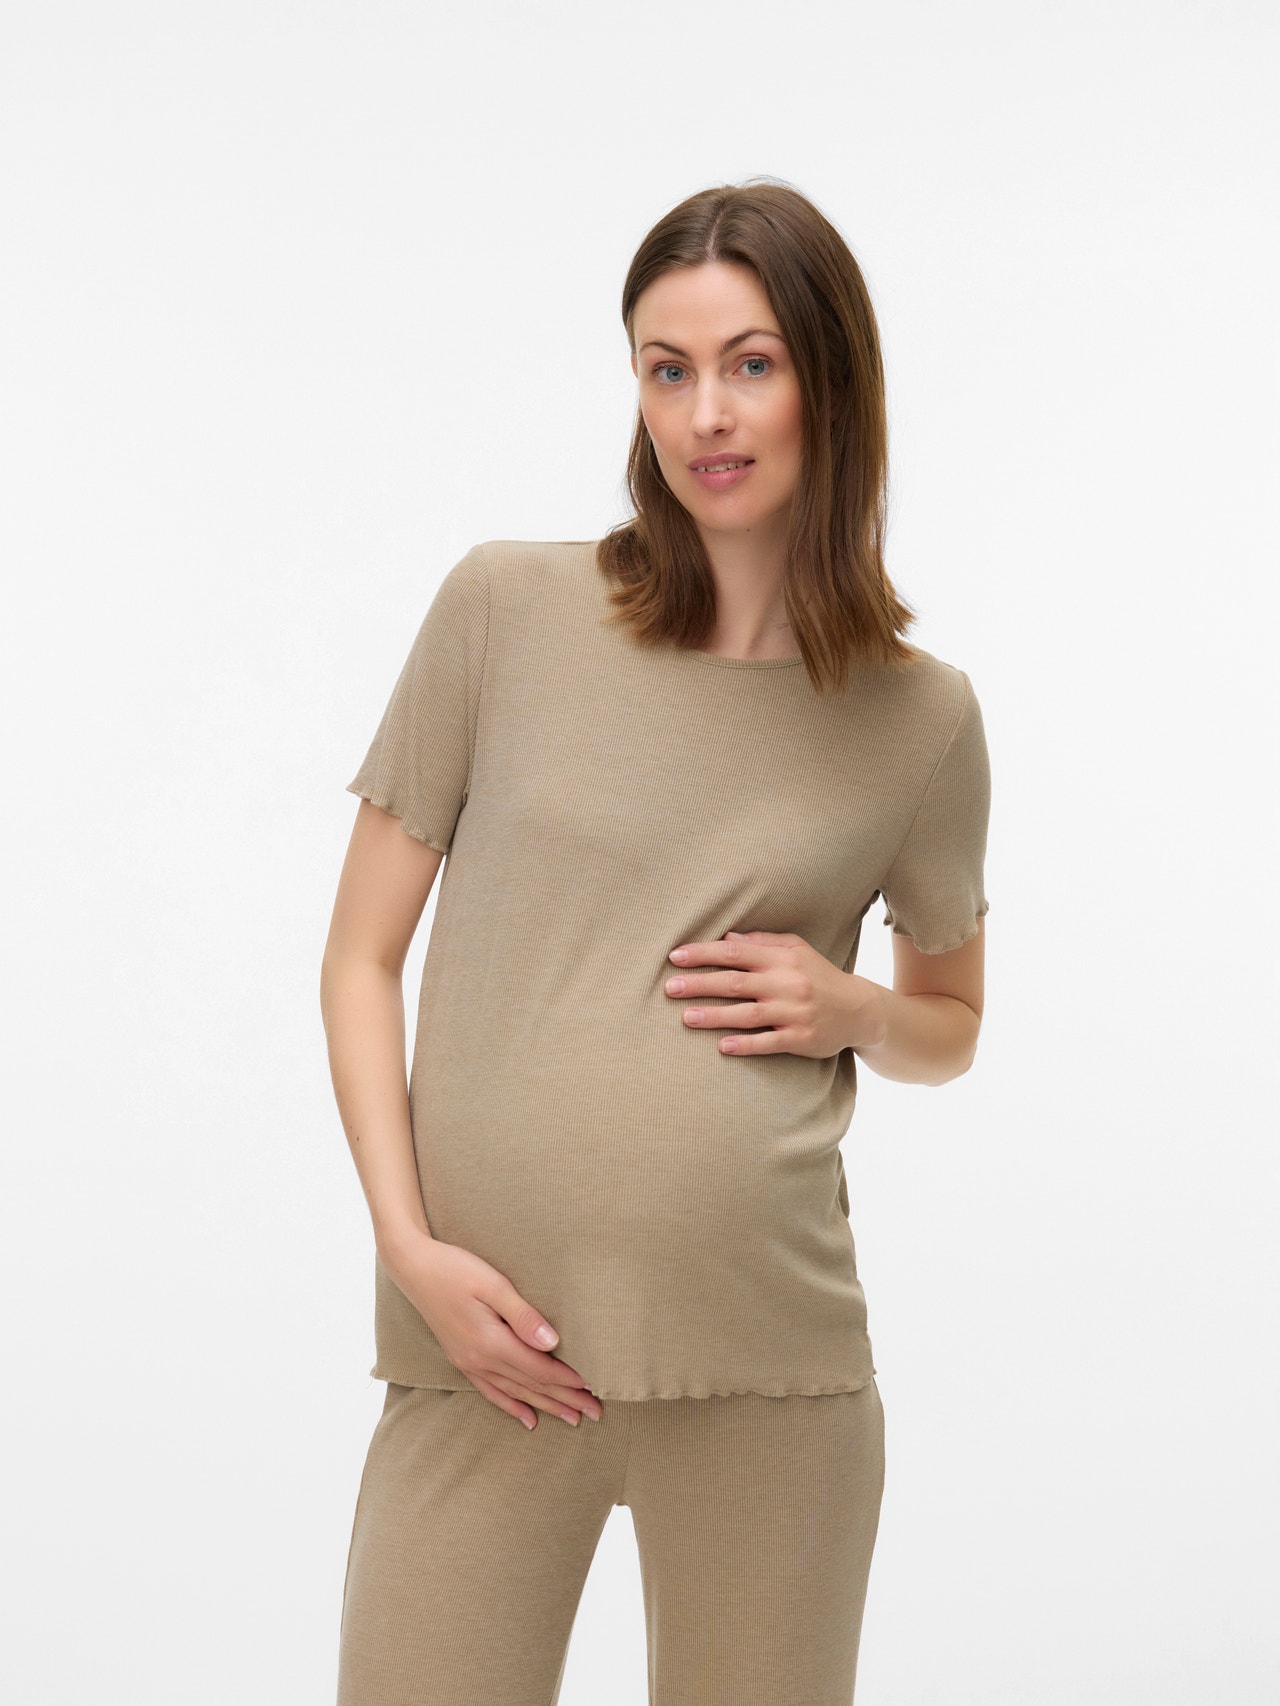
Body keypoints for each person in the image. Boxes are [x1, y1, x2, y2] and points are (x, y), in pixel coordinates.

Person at [320, 178, 991, 1706]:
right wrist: (410, 1252)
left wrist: (849, 1005)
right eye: (665, 368)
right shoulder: (506, 610)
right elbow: (357, 959)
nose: (707, 414)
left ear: (832, 380)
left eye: (751, 363)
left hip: (769, 1370)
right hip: (481, 1355)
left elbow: (952, 1023)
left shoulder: (921, 716)